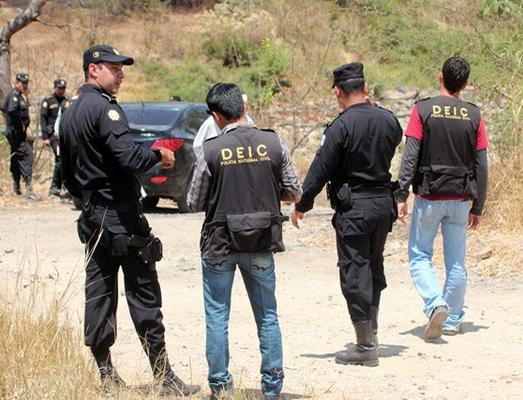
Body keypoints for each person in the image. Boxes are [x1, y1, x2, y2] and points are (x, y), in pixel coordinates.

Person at [59, 44, 200, 396]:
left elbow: (67, 174)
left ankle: (106, 376)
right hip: (121, 217)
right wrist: (158, 156)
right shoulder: (105, 109)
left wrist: (89, 200)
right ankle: (164, 378)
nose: (121, 74)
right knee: (144, 294)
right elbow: (129, 157)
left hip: (92, 216)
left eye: (122, 68)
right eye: (114, 68)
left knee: (99, 294)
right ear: (94, 70)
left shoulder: (72, 111)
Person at [187, 82, 301, 400]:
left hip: (219, 243)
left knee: (217, 316)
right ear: (244, 107)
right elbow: (294, 191)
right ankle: (272, 389)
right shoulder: (273, 142)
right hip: (261, 241)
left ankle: (221, 389)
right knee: (267, 316)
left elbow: (195, 201)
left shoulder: (210, 149)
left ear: (215, 115)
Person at [291, 62, 403, 367]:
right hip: (383, 206)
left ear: (338, 92)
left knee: (355, 272)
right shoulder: (389, 119)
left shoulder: (340, 127)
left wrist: (302, 204)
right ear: (365, 88)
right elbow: (396, 140)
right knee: (374, 266)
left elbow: (320, 170)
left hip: (355, 209)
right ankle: (372, 333)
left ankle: (365, 346)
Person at [394, 56, 489, 341]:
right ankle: (452, 320)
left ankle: (436, 303)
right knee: (456, 262)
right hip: (461, 199)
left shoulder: (422, 109)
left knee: (419, 256)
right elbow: (481, 164)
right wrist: (478, 205)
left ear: (440, 77)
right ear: (466, 84)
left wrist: (401, 193)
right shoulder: (474, 115)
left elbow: (410, 155)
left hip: (429, 197)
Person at [3, 72, 37, 200]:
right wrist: (20, 124)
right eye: (23, 83)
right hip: (16, 133)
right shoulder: (14, 96)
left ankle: (16, 187)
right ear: (17, 83)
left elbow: (4, 108)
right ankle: (28, 189)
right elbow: (11, 110)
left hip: (16, 132)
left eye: (26, 83)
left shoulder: (19, 96)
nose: (25, 85)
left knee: (16, 157)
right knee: (26, 156)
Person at [192, 93, 253, 158]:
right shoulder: (210, 122)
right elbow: (198, 146)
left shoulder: (248, 121)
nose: (244, 106)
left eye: (245, 104)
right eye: (242, 103)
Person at [40, 79, 69, 197]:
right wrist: (45, 137)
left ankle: (63, 187)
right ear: (55, 88)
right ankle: (54, 187)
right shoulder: (48, 101)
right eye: (59, 88)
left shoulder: (66, 101)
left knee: (64, 160)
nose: (62, 90)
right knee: (60, 159)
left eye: (63, 88)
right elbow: (43, 119)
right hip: (53, 135)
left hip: (64, 135)